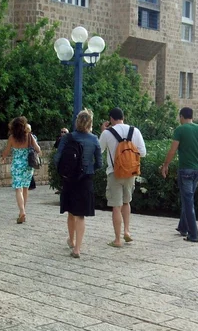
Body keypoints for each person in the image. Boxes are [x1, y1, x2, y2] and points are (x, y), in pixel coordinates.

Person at [54, 109, 102, 259]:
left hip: (69, 179)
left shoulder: (67, 138)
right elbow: (99, 163)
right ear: (90, 123)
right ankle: (77, 249)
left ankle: (71, 239)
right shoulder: (94, 140)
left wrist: (63, 172)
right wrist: (89, 170)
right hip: (85, 179)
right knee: (80, 215)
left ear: (77, 122)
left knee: (70, 212)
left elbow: (57, 158)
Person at [99, 107, 147, 247]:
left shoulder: (107, 133)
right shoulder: (134, 131)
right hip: (130, 172)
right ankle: (127, 231)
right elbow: (143, 152)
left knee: (116, 205)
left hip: (114, 172)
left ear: (111, 119)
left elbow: (99, 150)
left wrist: (103, 132)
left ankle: (117, 240)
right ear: (123, 117)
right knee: (126, 202)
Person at [161, 107, 198, 243]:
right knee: (187, 198)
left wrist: (165, 165)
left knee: (188, 201)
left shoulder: (180, 130)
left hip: (185, 170)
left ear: (181, 116)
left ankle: (193, 234)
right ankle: (183, 227)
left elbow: (172, 150)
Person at [2, 116, 41, 224]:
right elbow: (38, 149)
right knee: (25, 188)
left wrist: (3, 157)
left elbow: (6, 152)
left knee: (18, 189)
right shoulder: (29, 137)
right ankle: (22, 212)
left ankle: (22, 211)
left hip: (17, 166)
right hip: (28, 166)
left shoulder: (12, 138)